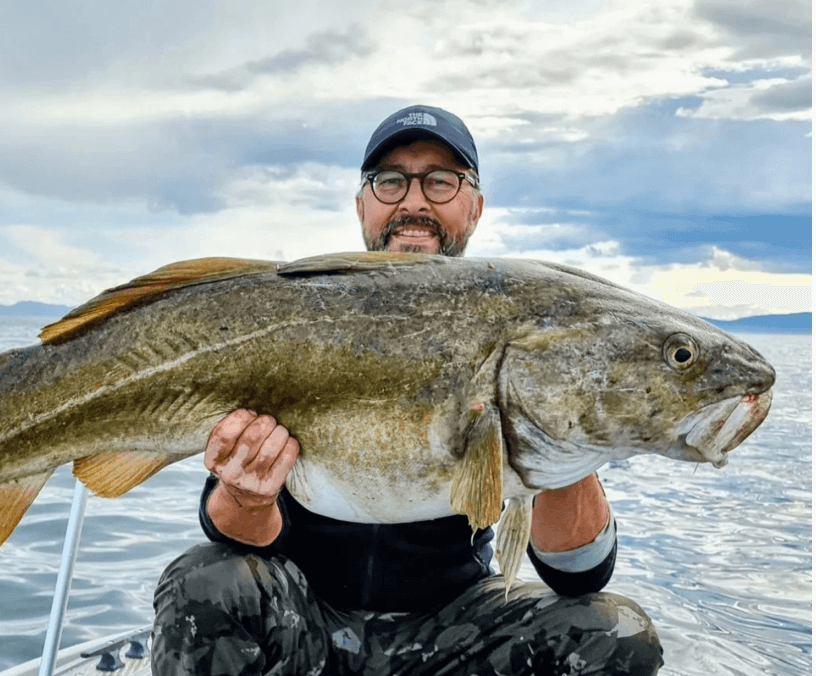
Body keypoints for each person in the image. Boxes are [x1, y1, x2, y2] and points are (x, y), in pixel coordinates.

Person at [151, 105, 665, 675]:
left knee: (615, 632)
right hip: (307, 619)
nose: (414, 201)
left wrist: (560, 430)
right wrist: (247, 496)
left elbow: (579, 575)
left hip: (452, 629)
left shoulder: (518, 326)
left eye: (441, 181)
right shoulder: (298, 320)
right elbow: (231, 534)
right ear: (362, 205)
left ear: (475, 206)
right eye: (390, 181)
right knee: (204, 581)